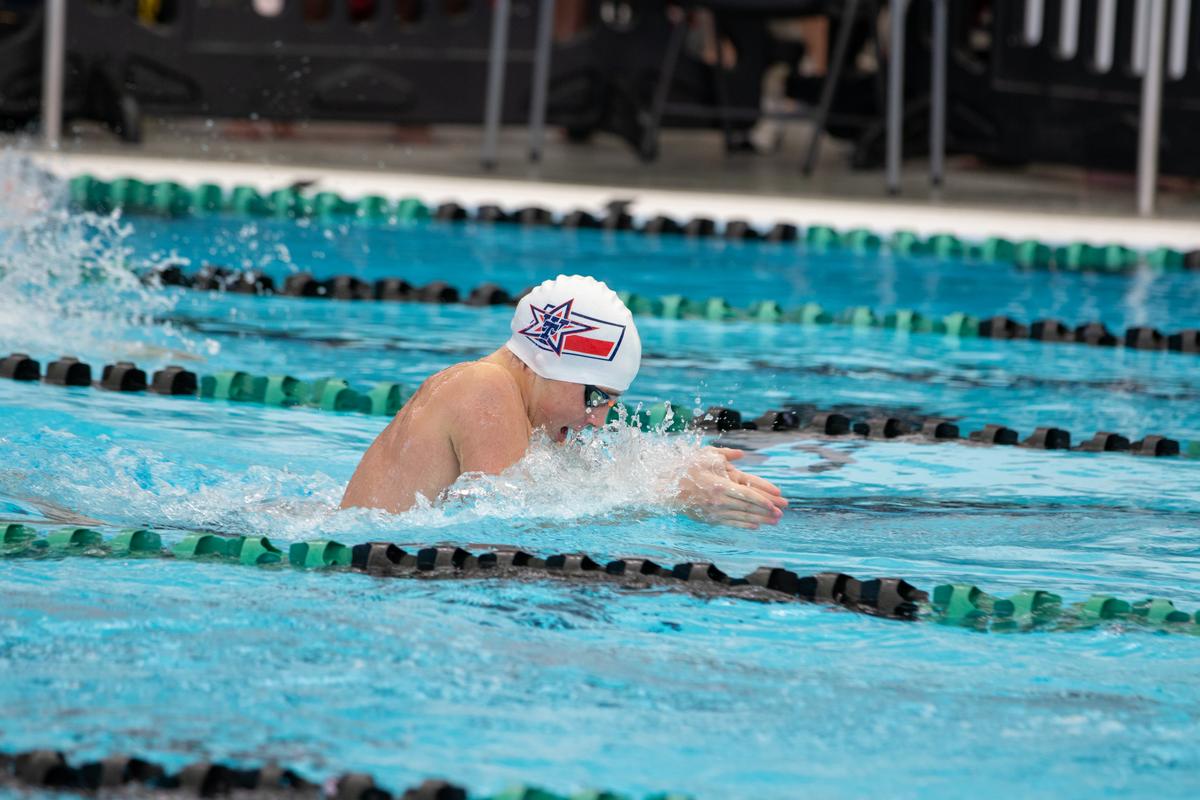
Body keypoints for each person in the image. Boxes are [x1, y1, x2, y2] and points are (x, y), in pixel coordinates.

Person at [341, 275, 787, 528]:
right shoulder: (484, 387)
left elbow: (556, 498)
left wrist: (680, 472)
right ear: (548, 364)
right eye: (597, 397)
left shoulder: (512, 404)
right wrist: (670, 495)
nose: (597, 420)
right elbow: (513, 523)